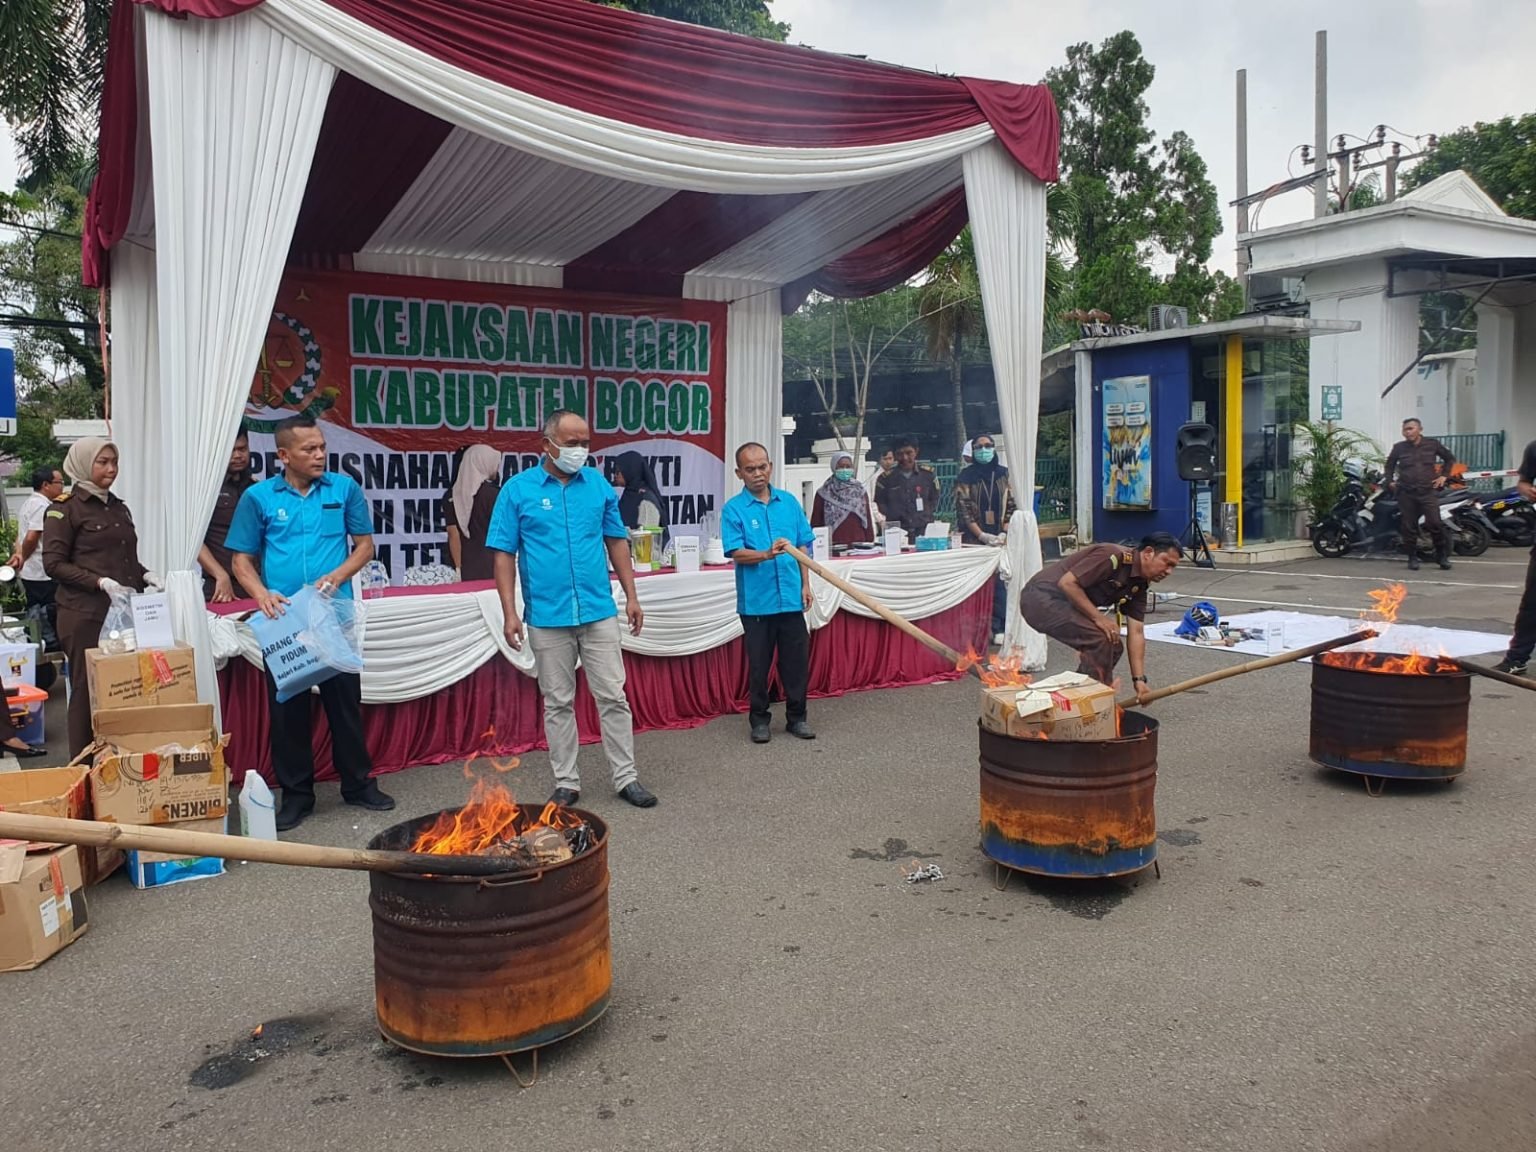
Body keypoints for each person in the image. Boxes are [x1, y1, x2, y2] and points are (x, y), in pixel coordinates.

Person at [227, 416, 394, 832]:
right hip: (284, 619)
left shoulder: (344, 489)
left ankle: (358, 784)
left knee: (344, 703)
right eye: (309, 449)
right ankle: (297, 796)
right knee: (289, 711)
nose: (320, 455)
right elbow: (240, 561)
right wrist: (261, 593)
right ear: (284, 455)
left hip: (332, 613)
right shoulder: (259, 497)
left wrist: (338, 577)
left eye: (321, 447)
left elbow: (365, 547)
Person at [487, 410, 656, 809]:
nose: (581, 450)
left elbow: (617, 542)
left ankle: (626, 777)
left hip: (597, 610)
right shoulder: (517, 490)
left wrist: (631, 596)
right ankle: (566, 782)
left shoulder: (597, 486)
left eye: (585, 443)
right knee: (558, 701)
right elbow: (503, 555)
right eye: (572, 443)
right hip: (547, 616)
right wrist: (509, 612)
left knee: (613, 696)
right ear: (547, 444)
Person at [42, 439, 161, 757]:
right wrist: (99, 582)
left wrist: (145, 574)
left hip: (123, 613)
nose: (111, 469)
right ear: (82, 464)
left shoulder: (118, 506)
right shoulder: (63, 509)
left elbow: (122, 558)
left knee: (123, 686)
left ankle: (119, 762)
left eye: (115, 462)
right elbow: (54, 564)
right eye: (102, 462)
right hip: (85, 614)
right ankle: (82, 768)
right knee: (86, 689)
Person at [722, 442, 817, 744]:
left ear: (771, 467)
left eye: (762, 466)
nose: (758, 473)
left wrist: (806, 584)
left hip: (790, 597)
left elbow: (803, 544)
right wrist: (765, 554)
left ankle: (797, 718)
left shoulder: (789, 502)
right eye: (750, 469)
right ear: (740, 473)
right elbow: (735, 552)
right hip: (757, 604)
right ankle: (759, 721)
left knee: (796, 663)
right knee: (760, 666)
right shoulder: (734, 509)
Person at [1020, 533, 1184, 700]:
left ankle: (1074, 698)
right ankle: (1095, 700)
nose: (1169, 571)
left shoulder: (1140, 584)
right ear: (1149, 552)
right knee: (1101, 639)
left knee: (1113, 645)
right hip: (1040, 599)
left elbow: (1137, 632)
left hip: (1064, 604)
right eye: (1167, 563)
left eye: (1173, 567)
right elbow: (1067, 583)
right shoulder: (1112, 556)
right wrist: (1099, 618)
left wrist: (1139, 681)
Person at [952, 433, 1017, 642]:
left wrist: (1004, 531)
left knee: (1000, 582)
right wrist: (981, 535)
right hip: (974, 536)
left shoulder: (1005, 474)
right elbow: (963, 509)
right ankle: (976, 631)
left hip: (1001, 535)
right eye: (979, 447)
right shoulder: (965, 477)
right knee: (977, 582)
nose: (984, 450)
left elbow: (1013, 504)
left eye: (988, 445)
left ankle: (999, 627)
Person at [1383, 418, 1456, 571]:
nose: (1407, 432)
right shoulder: (1399, 448)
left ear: (1420, 429)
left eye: (1411, 429)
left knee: (1435, 523)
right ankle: (1412, 558)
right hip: (1406, 492)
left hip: (1427, 492)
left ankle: (1442, 556)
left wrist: (1444, 476)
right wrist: (1390, 481)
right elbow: (1389, 465)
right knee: (1409, 527)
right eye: (1405, 430)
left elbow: (1449, 459)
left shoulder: (1432, 444)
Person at [198, 432, 257, 602]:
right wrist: (219, 574)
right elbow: (192, 540)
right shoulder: (206, 491)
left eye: (242, 449)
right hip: (221, 586)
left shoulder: (256, 488)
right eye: (231, 451)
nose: (238, 455)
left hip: (257, 584)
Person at [10, 466, 65, 647]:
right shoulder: (41, 506)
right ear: (45, 485)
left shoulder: (28, 503)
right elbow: (32, 536)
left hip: (32, 570)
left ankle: (38, 643)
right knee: (47, 611)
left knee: (35, 609)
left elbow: (20, 537)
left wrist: (19, 554)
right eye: (59, 482)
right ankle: (47, 645)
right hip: (41, 570)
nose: (62, 487)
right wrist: (23, 556)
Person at [1494, 438, 1536, 676]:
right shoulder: (1534, 448)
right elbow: (1523, 482)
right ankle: (1516, 659)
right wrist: (1527, 490)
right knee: (1532, 604)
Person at [442, 444, 503, 581]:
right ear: (483, 463)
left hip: (466, 565)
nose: (497, 468)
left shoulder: (452, 495)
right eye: (495, 463)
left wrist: (458, 569)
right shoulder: (493, 494)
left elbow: (453, 534)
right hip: (493, 564)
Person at [874, 436, 940, 539]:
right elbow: (881, 504)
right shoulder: (885, 479)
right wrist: (896, 515)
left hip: (923, 530)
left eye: (909, 453)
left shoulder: (928, 475)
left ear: (916, 452)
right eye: (900, 454)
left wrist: (922, 515)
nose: (904, 458)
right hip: (897, 531)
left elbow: (934, 499)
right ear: (895, 455)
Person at [811, 451, 876, 547]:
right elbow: (816, 523)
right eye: (841, 466)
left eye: (848, 466)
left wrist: (870, 542)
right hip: (834, 545)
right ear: (834, 467)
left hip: (859, 545)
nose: (845, 470)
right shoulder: (823, 493)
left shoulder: (860, 490)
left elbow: (867, 519)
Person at [613, 450, 669, 534]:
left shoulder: (647, 500)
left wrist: (618, 534)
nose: (615, 475)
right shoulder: (629, 495)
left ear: (630, 471)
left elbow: (647, 536)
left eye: (618, 472)